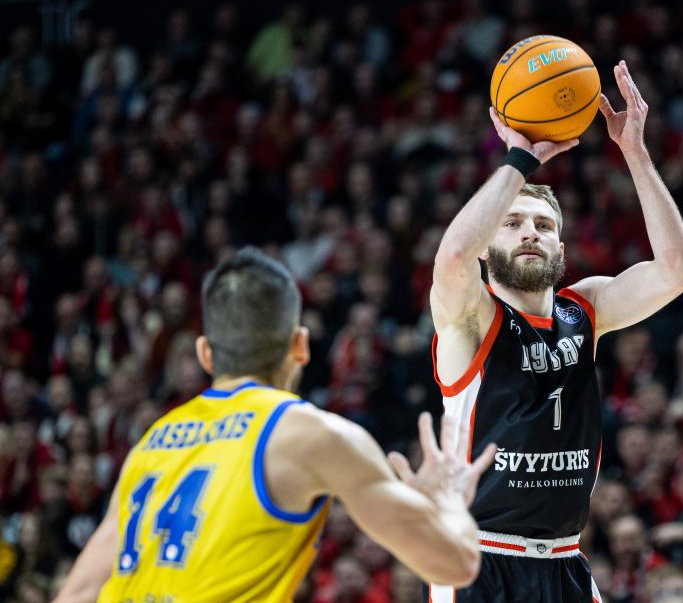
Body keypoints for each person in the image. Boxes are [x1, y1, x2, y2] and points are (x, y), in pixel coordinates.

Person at [53, 247, 496, 602]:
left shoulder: (153, 443)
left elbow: (78, 592)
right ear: (300, 345)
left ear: (206, 354)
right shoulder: (308, 435)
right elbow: (454, 564)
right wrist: (451, 500)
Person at [428, 60, 683, 600]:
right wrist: (520, 161)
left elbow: (678, 271)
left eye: (544, 226)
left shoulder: (585, 307)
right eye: (512, 223)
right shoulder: (471, 320)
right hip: (482, 563)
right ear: (488, 249)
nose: (530, 232)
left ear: (562, 250)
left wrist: (635, 153)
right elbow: (454, 254)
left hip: (566, 561)